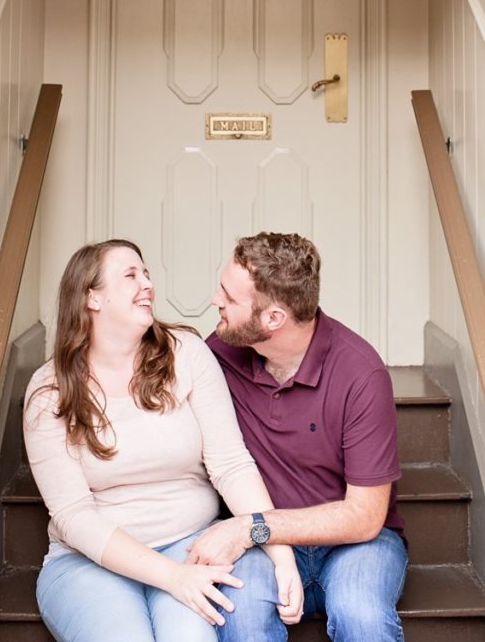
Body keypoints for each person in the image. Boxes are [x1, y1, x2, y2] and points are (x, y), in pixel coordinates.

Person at [24, 239, 303, 642]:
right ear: (92, 298)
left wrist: (282, 556)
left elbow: (231, 465)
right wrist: (172, 577)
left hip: (192, 546)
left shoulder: (187, 354)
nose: (148, 284)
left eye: (147, 273)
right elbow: (73, 517)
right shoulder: (49, 391)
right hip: (89, 563)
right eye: (130, 275)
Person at [188, 232, 407, 642]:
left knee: (362, 615)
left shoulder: (360, 374)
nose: (215, 301)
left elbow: (363, 518)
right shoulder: (218, 353)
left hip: (353, 545)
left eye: (229, 298)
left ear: (273, 319)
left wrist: (248, 528)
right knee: (242, 618)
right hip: (261, 548)